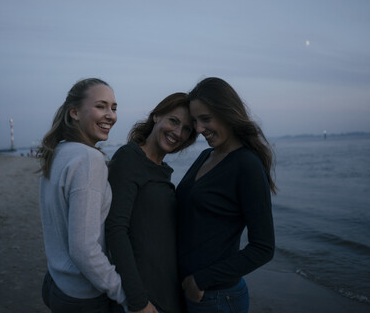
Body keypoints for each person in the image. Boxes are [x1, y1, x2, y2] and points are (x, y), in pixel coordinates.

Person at [176, 77, 276, 313]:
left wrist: (201, 280)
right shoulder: (205, 156)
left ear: (227, 113)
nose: (199, 129)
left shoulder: (246, 165)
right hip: (189, 292)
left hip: (218, 297)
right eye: (195, 121)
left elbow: (263, 248)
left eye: (206, 119)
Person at [38, 78, 126, 313]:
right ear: (74, 113)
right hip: (81, 296)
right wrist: (124, 294)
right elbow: (83, 249)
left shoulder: (59, 152)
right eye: (101, 106)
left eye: (114, 108)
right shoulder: (88, 159)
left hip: (56, 283)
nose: (111, 115)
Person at [106, 92, 197, 313]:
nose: (178, 133)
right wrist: (138, 300)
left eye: (186, 128)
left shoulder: (162, 171)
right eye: (173, 121)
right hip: (144, 295)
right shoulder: (129, 158)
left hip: (168, 289)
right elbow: (115, 229)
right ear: (156, 116)